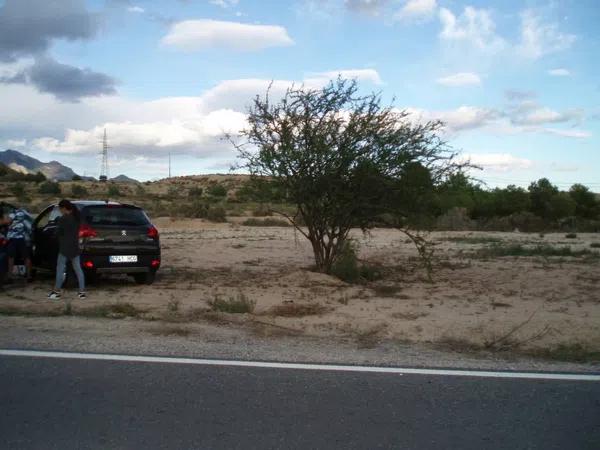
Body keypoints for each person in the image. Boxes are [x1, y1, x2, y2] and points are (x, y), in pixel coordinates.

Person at [48, 200, 86, 300]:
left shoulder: (63, 219)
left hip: (64, 247)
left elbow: (58, 233)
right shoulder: (77, 218)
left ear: (64, 208)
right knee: (78, 269)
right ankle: (82, 292)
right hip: (75, 247)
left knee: (60, 270)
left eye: (60, 209)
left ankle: (56, 292)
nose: (60, 211)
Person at [6, 207, 34, 282]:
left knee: (11, 258)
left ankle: (9, 277)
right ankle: (29, 276)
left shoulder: (13, 213)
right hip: (24, 239)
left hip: (13, 239)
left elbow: (8, 221)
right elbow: (31, 226)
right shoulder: (26, 214)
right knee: (26, 257)